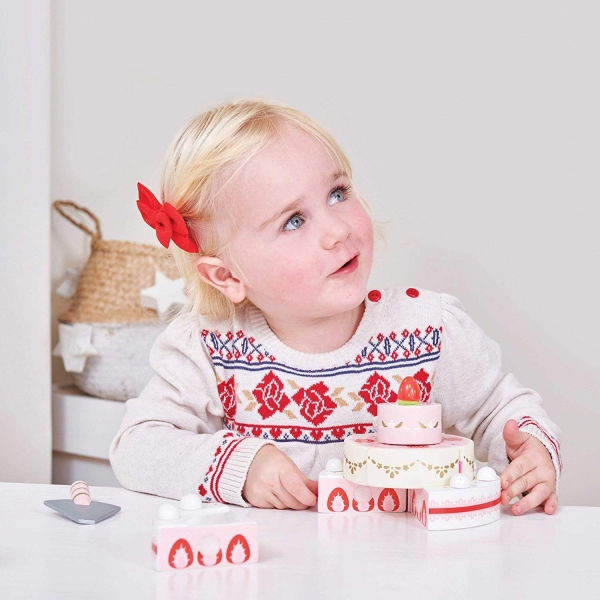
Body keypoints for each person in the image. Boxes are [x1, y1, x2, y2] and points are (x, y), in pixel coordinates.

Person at [110, 98, 561, 516]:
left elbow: (499, 407)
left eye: (337, 193)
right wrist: (241, 465)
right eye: (293, 221)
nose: (336, 231)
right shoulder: (209, 348)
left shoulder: (426, 330)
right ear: (228, 277)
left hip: (406, 570)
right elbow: (137, 446)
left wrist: (531, 451)